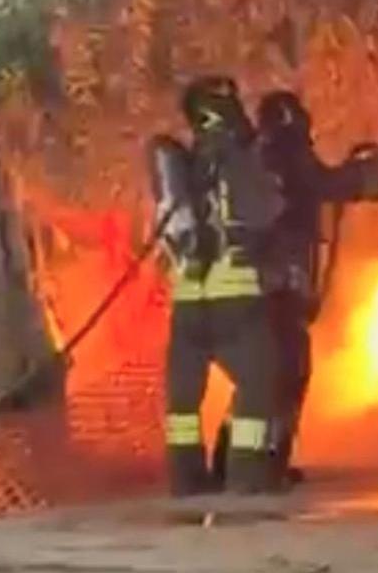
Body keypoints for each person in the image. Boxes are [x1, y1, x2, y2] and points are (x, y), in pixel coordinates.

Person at [209, 90, 378, 487]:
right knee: (285, 374)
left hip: (260, 291)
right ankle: (259, 464)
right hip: (273, 292)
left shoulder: (258, 161)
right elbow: (332, 183)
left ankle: (240, 462)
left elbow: (328, 183)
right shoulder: (284, 158)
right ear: (292, 124)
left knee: (268, 376)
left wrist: (374, 166)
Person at [147, 76, 284, 496]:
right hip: (236, 297)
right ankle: (246, 477)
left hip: (189, 304)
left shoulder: (181, 166)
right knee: (261, 383)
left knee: (183, 404)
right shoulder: (240, 161)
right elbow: (267, 210)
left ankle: (186, 482)